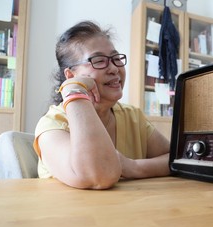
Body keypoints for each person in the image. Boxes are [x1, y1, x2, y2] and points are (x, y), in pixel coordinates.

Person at [33, 21, 170, 189]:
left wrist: (132, 167)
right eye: (98, 61)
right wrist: (74, 90)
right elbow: (98, 176)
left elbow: (175, 158)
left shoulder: (132, 116)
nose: (114, 68)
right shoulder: (52, 125)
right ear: (71, 75)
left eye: (116, 58)